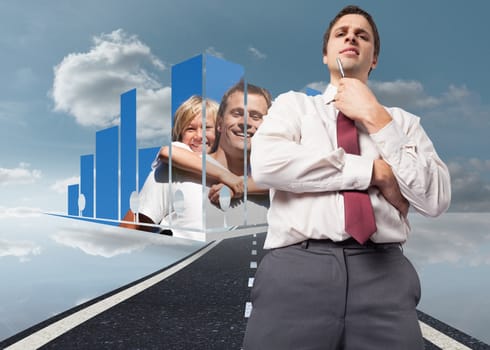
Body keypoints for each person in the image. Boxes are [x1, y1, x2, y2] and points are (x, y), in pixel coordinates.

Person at [243, 5, 451, 350]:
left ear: (374, 60)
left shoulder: (404, 123)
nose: (351, 36)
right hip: (296, 270)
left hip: (384, 271)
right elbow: (268, 164)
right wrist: (375, 172)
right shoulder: (294, 106)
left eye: (362, 35)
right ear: (326, 55)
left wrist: (375, 117)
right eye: (341, 33)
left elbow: (435, 198)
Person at [123, 81, 272, 238]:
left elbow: (284, 180)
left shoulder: (260, 173)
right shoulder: (173, 167)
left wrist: (238, 185)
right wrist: (228, 177)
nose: (199, 136)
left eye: (207, 128)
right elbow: (129, 230)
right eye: (190, 129)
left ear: (219, 128)